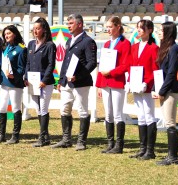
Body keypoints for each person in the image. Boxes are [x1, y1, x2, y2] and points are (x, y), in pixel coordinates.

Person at [51, 14, 97, 150]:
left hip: (80, 82)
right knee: (64, 109)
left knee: (82, 110)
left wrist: (79, 76)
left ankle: (81, 141)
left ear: (80, 24)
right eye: (68, 23)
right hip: (67, 82)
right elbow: (65, 62)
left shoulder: (88, 41)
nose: (68, 26)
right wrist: (61, 79)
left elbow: (92, 63)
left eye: (71, 23)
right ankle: (66, 139)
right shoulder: (69, 40)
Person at [96, 16, 130, 154]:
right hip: (105, 82)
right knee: (108, 114)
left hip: (116, 81)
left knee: (117, 113)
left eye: (110, 27)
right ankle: (110, 143)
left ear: (118, 26)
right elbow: (101, 64)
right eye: (107, 27)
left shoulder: (125, 43)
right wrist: (98, 84)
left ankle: (119, 144)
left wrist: (111, 72)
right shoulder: (106, 44)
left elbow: (126, 65)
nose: (108, 29)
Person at [128, 19, 159, 160]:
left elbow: (155, 69)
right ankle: (142, 148)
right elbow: (131, 66)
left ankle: (150, 150)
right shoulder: (134, 47)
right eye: (138, 28)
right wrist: (129, 81)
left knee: (149, 114)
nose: (139, 30)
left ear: (149, 30)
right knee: (140, 115)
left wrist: (147, 83)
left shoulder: (154, 48)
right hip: (135, 85)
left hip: (147, 87)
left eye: (142, 28)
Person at [153, 22, 178, 165]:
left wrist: (162, 91)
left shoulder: (174, 48)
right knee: (167, 122)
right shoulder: (164, 48)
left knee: (170, 123)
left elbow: (171, 73)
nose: (159, 32)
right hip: (164, 90)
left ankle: (173, 157)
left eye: (161, 30)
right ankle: (170, 155)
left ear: (168, 32)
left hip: (170, 91)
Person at [0, 25, 26, 144]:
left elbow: (23, 68)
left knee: (16, 108)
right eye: (5, 34)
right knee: (2, 107)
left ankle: (15, 135)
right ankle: (1, 134)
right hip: (4, 82)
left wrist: (15, 75)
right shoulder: (4, 48)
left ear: (15, 34)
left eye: (9, 33)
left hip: (15, 83)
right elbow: (3, 63)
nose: (6, 36)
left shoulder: (21, 49)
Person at [26, 17, 56, 147]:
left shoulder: (50, 45)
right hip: (32, 81)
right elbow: (28, 62)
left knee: (43, 108)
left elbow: (51, 64)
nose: (35, 31)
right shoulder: (31, 44)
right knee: (37, 108)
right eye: (34, 28)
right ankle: (45, 135)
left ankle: (41, 137)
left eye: (38, 28)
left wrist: (44, 80)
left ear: (44, 29)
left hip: (45, 82)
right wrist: (25, 77)